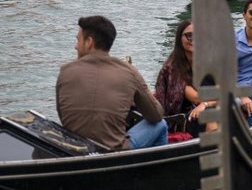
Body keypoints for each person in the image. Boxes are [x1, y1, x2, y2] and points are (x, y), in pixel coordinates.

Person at [56, 16, 168, 151]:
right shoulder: (129, 71)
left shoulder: (65, 71)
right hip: (114, 151)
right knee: (161, 125)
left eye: (78, 40)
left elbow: (63, 115)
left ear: (89, 42)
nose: (75, 46)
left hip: (74, 148)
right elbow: (156, 115)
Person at [154, 20, 216, 137]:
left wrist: (206, 104)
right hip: (178, 119)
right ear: (179, 39)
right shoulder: (172, 67)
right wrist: (206, 103)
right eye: (189, 36)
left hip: (200, 109)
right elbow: (197, 98)